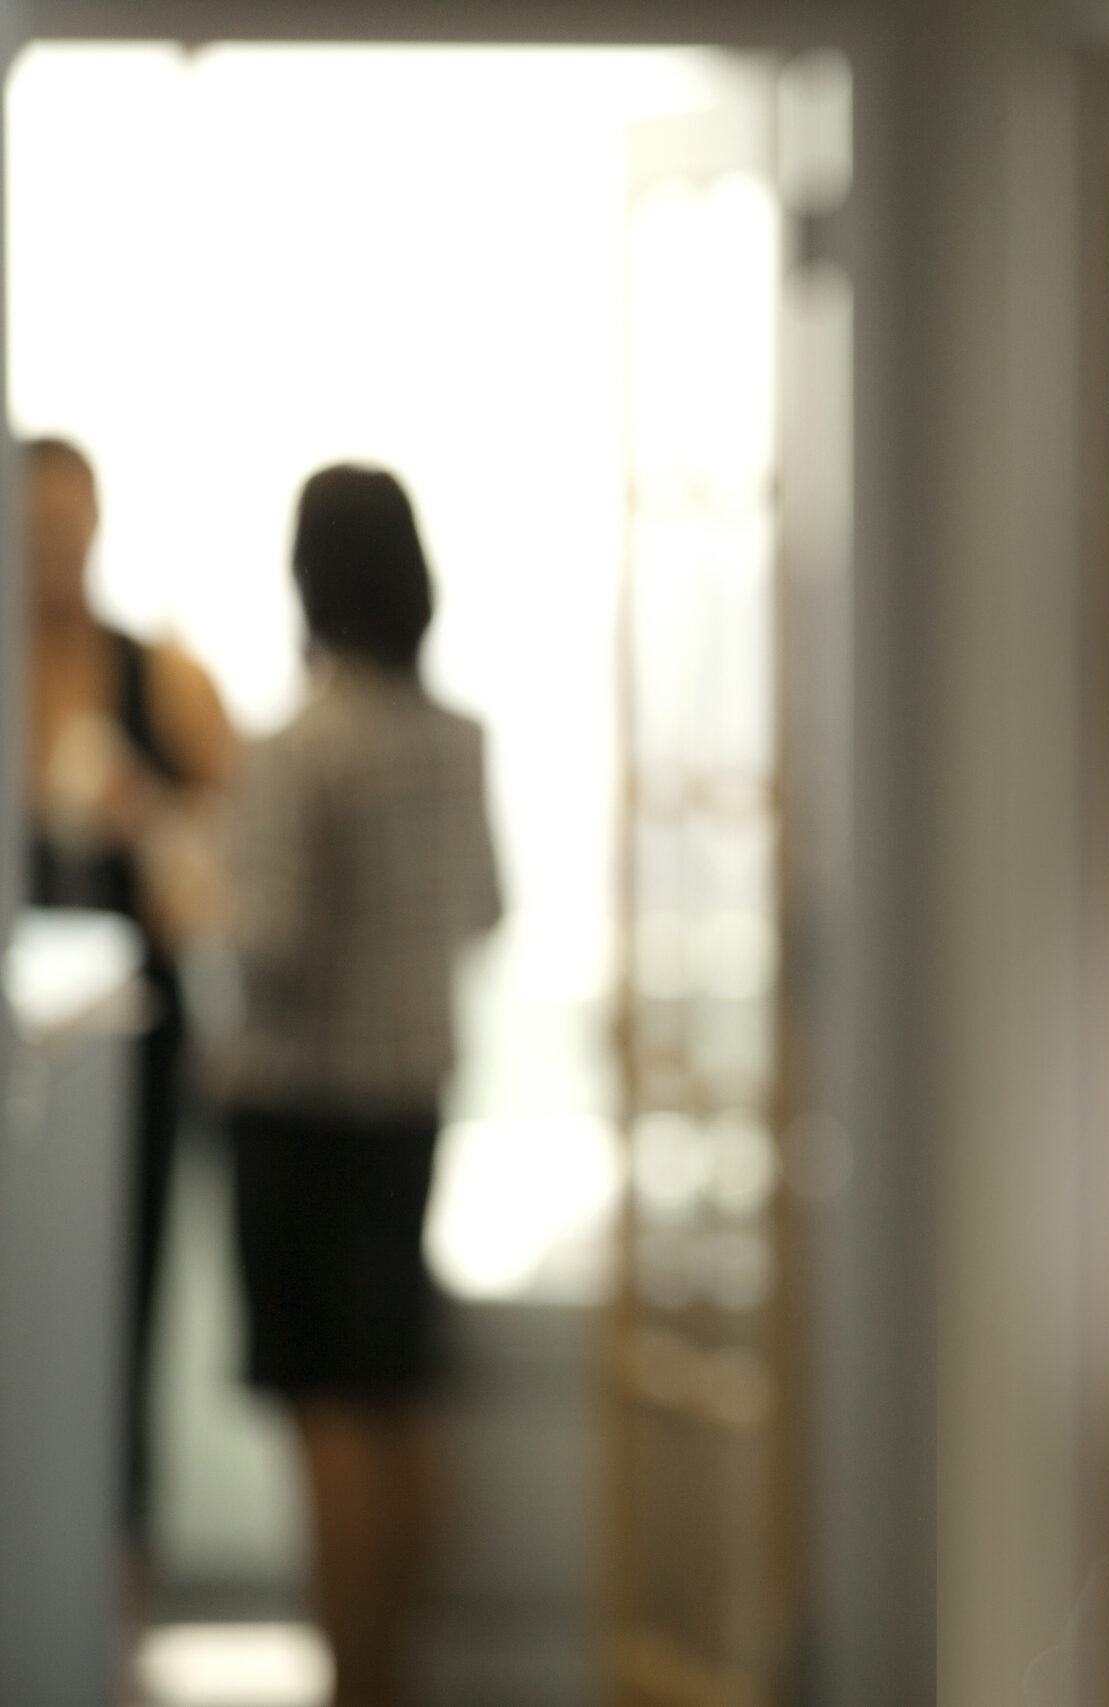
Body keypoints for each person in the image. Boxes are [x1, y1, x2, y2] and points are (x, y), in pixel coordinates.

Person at [222, 465, 500, 1707]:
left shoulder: (298, 750)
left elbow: (269, 947)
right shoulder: (456, 741)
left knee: (328, 1411)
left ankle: (353, 1682)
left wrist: (189, 875)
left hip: (302, 1112)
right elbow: (489, 909)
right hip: (409, 1108)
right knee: (399, 1394)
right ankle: (404, 1675)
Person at [20, 436, 237, 1564]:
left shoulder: (164, 676)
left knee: (121, 1314)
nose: (59, 550)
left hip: (132, 1056)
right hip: (23, 1056)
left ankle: (115, 1579)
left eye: (74, 524)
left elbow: (239, 867)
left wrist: (143, 817)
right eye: (38, 527)